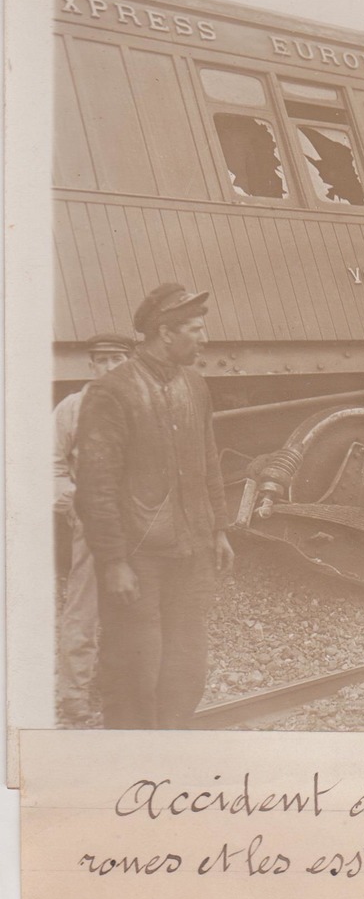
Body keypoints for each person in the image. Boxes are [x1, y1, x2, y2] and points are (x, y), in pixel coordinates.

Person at [75, 283, 234, 728]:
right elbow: (96, 487)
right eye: (196, 329)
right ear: (166, 332)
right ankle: (131, 758)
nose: (204, 338)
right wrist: (112, 562)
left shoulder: (195, 385)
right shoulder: (113, 392)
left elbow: (208, 462)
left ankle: (170, 747)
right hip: (139, 558)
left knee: (185, 664)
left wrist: (218, 529)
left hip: (191, 550)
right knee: (133, 668)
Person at [53, 333, 136, 723]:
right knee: (83, 607)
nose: (109, 367)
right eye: (101, 360)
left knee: (135, 606)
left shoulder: (141, 403)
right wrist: (70, 498)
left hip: (137, 520)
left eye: (117, 358)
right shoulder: (73, 408)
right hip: (91, 519)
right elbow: (49, 461)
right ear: (91, 365)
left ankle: (119, 687)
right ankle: (75, 696)